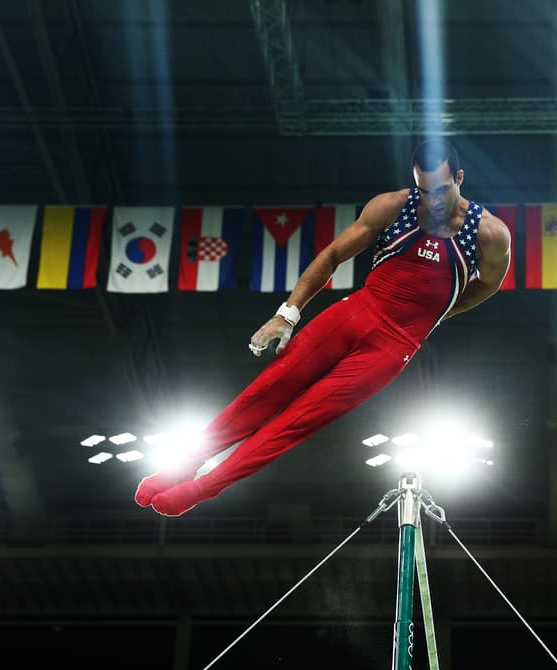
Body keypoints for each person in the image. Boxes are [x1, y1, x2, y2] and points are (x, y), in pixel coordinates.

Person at [135, 138, 511, 516]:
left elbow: (489, 285)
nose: (433, 201)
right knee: (263, 392)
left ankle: (205, 487)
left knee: (297, 421)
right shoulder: (393, 206)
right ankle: (185, 464)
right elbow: (332, 255)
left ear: (460, 178)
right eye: (425, 190)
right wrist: (288, 313)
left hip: (392, 347)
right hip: (354, 313)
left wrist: (436, 316)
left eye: (443, 190)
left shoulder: (489, 234)